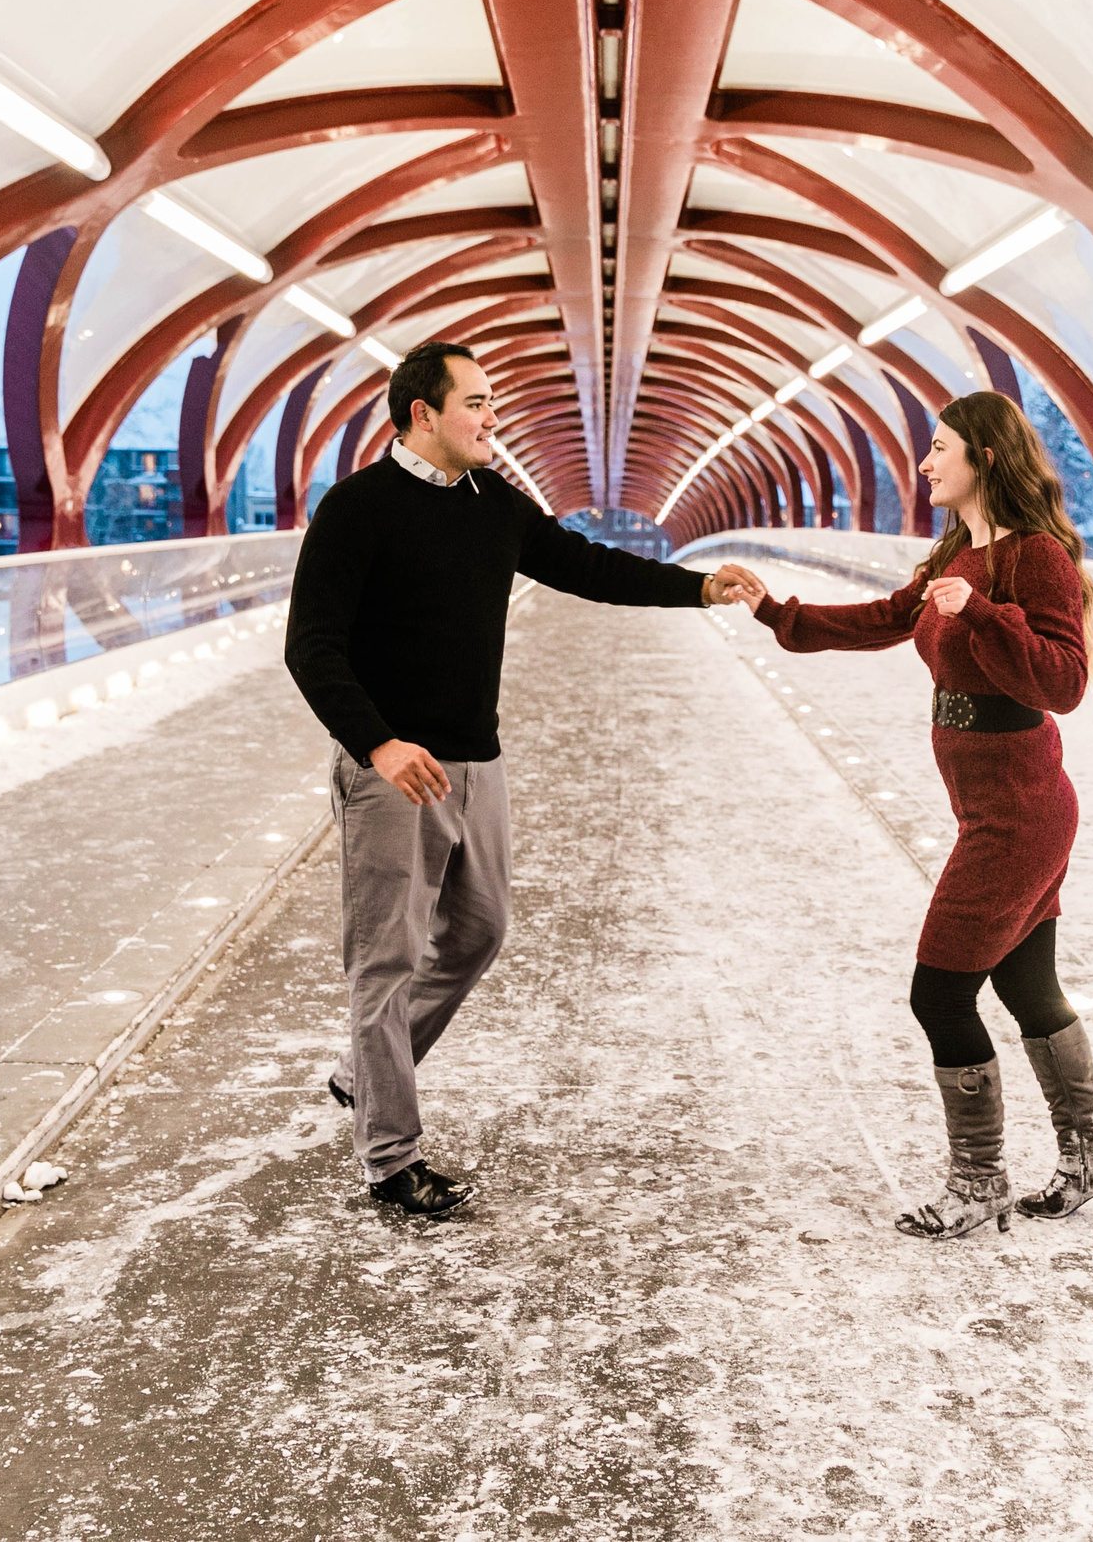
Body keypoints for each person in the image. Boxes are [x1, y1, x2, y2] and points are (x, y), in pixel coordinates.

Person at [285, 340, 765, 1219]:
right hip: (394, 773)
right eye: (475, 403)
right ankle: (391, 1158)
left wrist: (697, 588)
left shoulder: (492, 503)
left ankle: (367, 1070)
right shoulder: (354, 511)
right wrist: (379, 744)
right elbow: (309, 646)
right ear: (421, 413)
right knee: (384, 964)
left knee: (477, 931)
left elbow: (587, 565)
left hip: (477, 759)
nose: (491, 419)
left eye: (494, 403)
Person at [736, 390, 1093, 1239]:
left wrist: (981, 612)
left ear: (983, 457)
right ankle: (1091, 1156)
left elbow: (1062, 683)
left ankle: (979, 1182)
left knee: (938, 993)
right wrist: (774, 612)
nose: (925, 462)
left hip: (1019, 815)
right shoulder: (953, 550)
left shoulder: (1034, 559)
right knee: (1027, 985)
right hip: (993, 807)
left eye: (939, 447)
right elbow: (883, 619)